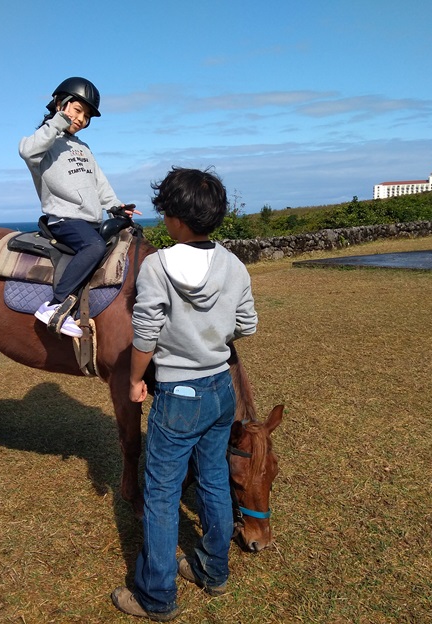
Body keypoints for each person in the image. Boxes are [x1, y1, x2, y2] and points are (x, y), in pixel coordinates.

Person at [111, 167, 258, 620]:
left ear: (174, 217)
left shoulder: (156, 266)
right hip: (220, 389)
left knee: (160, 494)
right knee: (213, 480)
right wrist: (212, 337)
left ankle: (156, 596)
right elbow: (247, 324)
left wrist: (136, 380)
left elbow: (145, 335)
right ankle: (213, 571)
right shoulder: (233, 264)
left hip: (178, 395)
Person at [19, 76, 136, 337]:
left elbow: (99, 183)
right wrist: (58, 121)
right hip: (65, 220)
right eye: (77, 110)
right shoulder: (44, 143)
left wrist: (116, 206)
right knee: (94, 247)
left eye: (87, 116)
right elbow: (27, 151)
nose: (81, 119)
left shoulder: (83, 148)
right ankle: (54, 305)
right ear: (60, 104)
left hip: (90, 220)